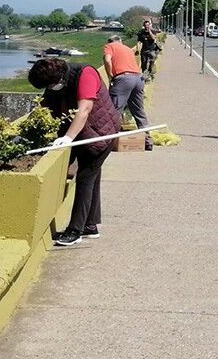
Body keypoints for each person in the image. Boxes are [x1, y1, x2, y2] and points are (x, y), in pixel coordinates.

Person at [28, 57, 121, 246]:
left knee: (86, 177)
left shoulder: (85, 74)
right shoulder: (59, 80)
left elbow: (84, 110)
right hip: (84, 132)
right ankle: (90, 225)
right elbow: (45, 104)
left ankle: (75, 231)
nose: (51, 88)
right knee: (92, 177)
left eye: (51, 85)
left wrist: (68, 138)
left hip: (100, 132)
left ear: (59, 78)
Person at [103, 34, 152, 151]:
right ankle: (148, 140)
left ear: (111, 42)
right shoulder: (127, 49)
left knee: (114, 110)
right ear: (120, 41)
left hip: (123, 78)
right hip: (138, 78)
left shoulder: (109, 46)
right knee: (138, 110)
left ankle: (110, 142)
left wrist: (110, 76)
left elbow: (107, 59)